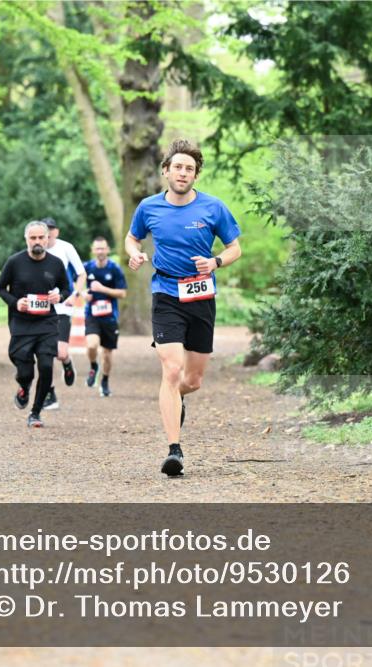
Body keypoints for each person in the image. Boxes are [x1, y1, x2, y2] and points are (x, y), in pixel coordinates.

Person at [126, 139, 242, 476]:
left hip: (201, 296)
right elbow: (132, 237)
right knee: (171, 369)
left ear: (196, 175)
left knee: (192, 379)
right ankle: (174, 450)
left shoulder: (213, 208)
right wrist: (134, 252)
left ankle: (175, 399)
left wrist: (216, 261)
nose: (182, 172)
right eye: (177, 166)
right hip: (166, 293)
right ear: (166, 171)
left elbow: (235, 247)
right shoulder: (148, 207)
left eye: (189, 168)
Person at [0, 221, 71, 428]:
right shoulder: (14, 262)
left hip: (47, 322)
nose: (37, 241)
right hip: (21, 323)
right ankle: (23, 385)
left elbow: (66, 288)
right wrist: (15, 302)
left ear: (47, 239)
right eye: (33, 238)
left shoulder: (56, 263)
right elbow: (0, 288)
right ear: (26, 239)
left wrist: (60, 295)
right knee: (25, 369)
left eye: (40, 237)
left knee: (46, 366)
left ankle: (35, 412)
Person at [42, 217, 87, 410]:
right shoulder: (36, 249)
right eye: (46, 230)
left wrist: (74, 294)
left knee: (60, 353)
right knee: (44, 354)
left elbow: (81, 273)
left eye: (51, 229)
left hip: (63, 306)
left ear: (56, 232)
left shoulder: (65, 248)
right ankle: (50, 394)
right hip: (42, 308)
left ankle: (67, 363)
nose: (49, 233)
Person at [83, 236, 128, 397]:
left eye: (103, 248)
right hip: (92, 315)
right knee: (91, 345)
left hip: (110, 317)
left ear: (108, 250)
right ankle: (93, 366)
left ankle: (105, 381)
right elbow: (75, 284)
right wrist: (83, 293)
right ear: (93, 250)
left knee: (108, 354)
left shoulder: (115, 269)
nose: (100, 251)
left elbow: (122, 293)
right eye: (97, 248)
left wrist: (102, 289)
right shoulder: (87, 267)